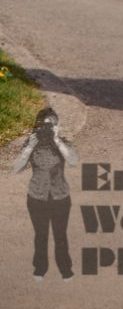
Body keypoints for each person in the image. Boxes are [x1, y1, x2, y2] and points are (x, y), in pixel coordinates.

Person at [13, 107, 78, 281]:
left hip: (60, 197)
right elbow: (16, 168)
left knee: (60, 236)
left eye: (52, 125)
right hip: (36, 197)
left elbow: (74, 161)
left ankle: (65, 269)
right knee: (40, 235)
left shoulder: (63, 143)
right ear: (38, 125)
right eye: (45, 125)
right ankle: (40, 268)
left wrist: (57, 140)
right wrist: (29, 148)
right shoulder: (32, 143)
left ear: (58, 126)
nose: (48, 129)